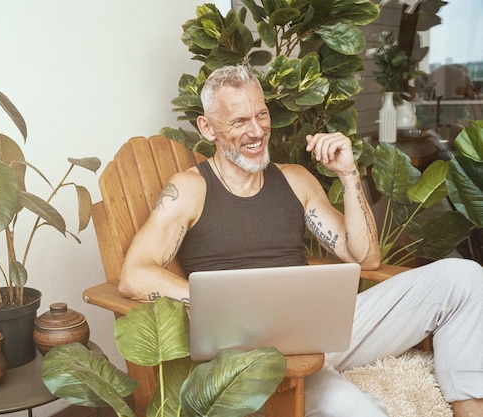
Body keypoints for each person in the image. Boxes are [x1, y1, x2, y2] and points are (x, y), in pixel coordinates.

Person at [119, 64, 483, 417]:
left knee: (464, 277)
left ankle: (469, 409)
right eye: (239, 121)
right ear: (207, 126)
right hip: (252, 354)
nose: (257, 130)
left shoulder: (294, 180)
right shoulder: (190, 189)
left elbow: (366, 257)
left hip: (317, 328)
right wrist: (219, 306)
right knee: (359, 411)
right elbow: (135, 275)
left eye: (261, 115)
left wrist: (348, 173)